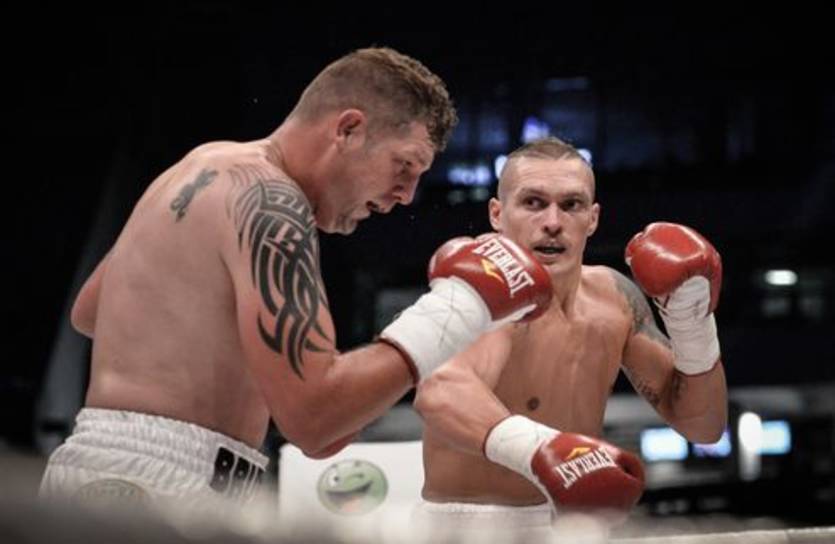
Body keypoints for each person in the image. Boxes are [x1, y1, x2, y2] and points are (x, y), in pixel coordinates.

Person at [39, 47, 554, 509]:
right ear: (348, 129)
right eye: (404, 166)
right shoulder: (272, 203)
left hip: (120, 470)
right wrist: (458, 310)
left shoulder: (200, 166)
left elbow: (93, 310)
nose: (406, 196)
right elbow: (315, 420)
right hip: (156, 486)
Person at [413, 137, 728, 533]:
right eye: (533, 202)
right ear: (497, 213)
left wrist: (692, 323)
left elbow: (703, 426)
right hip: (473, 528)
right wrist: (543, 450)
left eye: (571, 204)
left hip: (575, 526)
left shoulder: (615, 298)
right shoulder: (483, 290)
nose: (552, 222)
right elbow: (440, 391)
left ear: (592, 218)